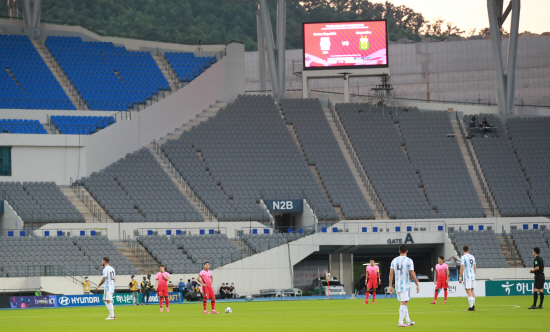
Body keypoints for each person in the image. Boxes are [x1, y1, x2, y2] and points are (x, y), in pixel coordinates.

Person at [389, 245, 419, 327]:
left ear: (399, 251)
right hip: (405, 285)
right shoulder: (409, 261)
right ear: (407, 251)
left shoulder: (394, 260)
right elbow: (412, 274)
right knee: (404, 303)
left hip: (397, 285)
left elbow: (391, 273)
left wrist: (390, 286)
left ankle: (408, 320)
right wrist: (417, 284)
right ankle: (400, 322)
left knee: (404, 302)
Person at [459, 245, 477, 311]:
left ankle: (471, 307)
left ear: (462, 250)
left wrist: (460, 277)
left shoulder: (463, 257)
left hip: (467, 276)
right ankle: (473, 306)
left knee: (468, 291)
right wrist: (474, 274)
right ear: (468, 250)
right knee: (472, 291)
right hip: (472, 276)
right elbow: (475, 267)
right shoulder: (472, 257)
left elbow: (462, 267)